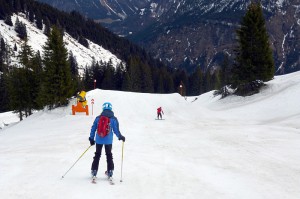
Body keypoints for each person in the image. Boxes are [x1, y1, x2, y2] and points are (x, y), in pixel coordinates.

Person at [89, 102, 125, 179]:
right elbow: (116, 130)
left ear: (103, 108)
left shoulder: (98, 118)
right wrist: (120, 137)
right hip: (108, 141)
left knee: (97, 155)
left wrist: (91, 138)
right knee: (109, 155)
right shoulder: (113, 119)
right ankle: (110, 171)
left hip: (99, 140)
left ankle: (94, 171)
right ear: (111, 109)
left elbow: (93, 128)